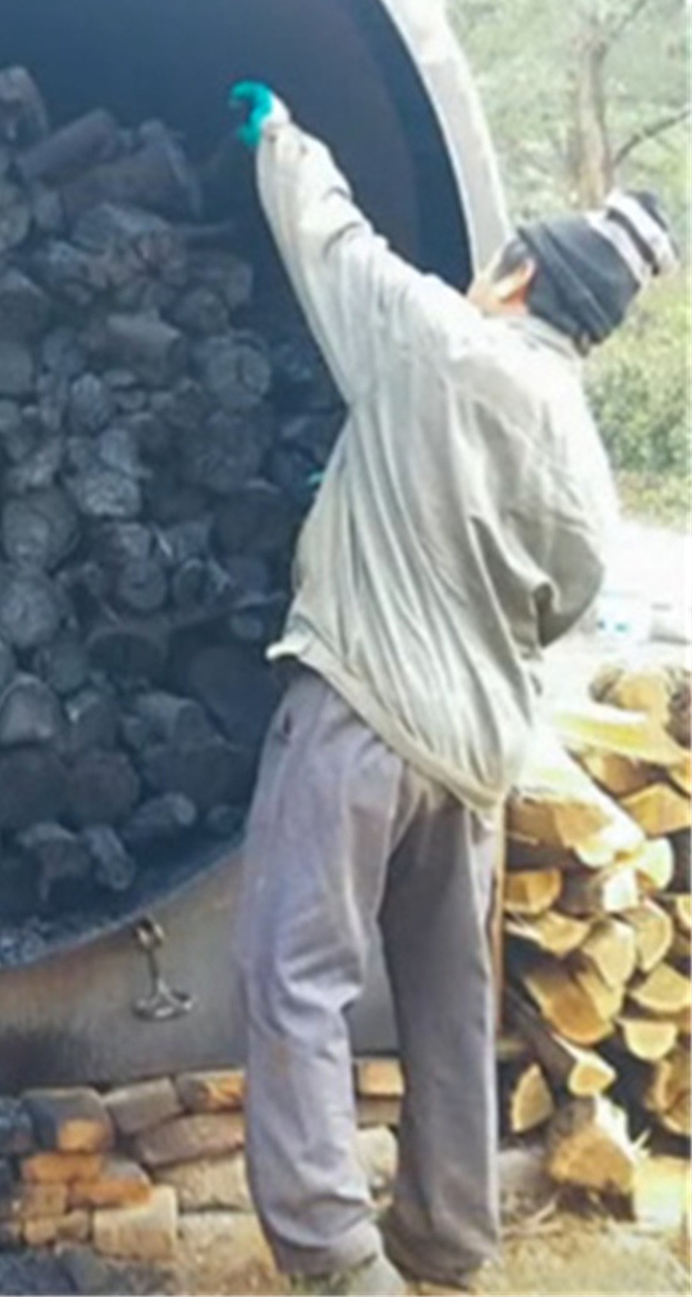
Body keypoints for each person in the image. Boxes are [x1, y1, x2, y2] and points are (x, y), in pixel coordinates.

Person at [224, 82, 678, 1297]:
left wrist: (277, 130)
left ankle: (336, 1262)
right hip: (473, 757)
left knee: (293, 978)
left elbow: (329, 239)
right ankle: (447, 1242)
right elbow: (560, 605)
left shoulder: (434, 342)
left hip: (361, 714)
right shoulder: (583, 463)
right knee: (444, 1002)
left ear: (520, 279)